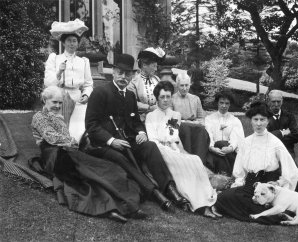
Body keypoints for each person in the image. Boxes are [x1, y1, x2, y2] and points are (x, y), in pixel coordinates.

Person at [85, 53, 187, 211]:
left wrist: (141, 132)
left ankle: (169, 188)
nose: (123, 77)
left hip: (128, 139)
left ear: (132, 75)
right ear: (113, 72)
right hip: (105, 144)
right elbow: (91, 125)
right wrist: (111, 140)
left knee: (150, 146)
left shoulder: (130, 96)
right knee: (121, 157)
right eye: (120, 72)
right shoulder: (100, 92)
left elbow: (135, 122)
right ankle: (154, 193)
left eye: (127, 74)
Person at [31, 86, 147, 223]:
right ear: (45, 100)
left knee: (105, 169)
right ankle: (110, 209)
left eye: (60, 102)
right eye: (54, 102)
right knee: (87, 174)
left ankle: (122, 206)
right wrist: (73, 142)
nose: (57, 106)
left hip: (68, 151)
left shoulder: (59, 118)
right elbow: (51, 138)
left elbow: (65, 139)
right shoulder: (39, 117)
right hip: (53, 155)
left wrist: (72, 143)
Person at [214, 101, 298, 225]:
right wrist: (238, 183)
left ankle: (276, 214)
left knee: (245, 201)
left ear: (268, 121)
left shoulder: (275, 142)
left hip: (268, 188)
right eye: (255, 119)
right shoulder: (246, 142)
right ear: (251, 120)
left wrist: (279, 182)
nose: (259, 123)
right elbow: (239, 170)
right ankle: (271, 212)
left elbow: (290, 168)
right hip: (250, 186)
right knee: (223, 198)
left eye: (262, 119)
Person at [145, 81, 219, 218]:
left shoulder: (175, 115)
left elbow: (174, 137)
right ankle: (199, 205)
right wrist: (169, 148)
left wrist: (178, 150)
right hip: (159, 149)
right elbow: (152, 139)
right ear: (157, 98)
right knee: (184, 162)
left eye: (168, 96)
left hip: (172, 147)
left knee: (195, 159)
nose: (166, 100)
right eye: (162, 97)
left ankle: (208, 199)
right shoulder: (151, 116)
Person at [44, 19, 93, 143]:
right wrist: (59, 73)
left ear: (78, 43)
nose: (72, 44)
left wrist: (86, 95)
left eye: (74, 41)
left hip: (77, 97)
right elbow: (48, 83)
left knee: (77, 130)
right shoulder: (55, 58)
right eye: (69, 41)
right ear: (64, 43)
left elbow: (88, 84)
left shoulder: (83, 62)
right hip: (60, 96)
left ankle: (76, 141)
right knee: (59, 127)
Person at [267, 89, 298, 193]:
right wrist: (283, 132)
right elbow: (266, 138)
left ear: (282, 101)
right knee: (275, 170)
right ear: (268, 101)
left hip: (288, 150)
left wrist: (275, 135)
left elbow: (295, 136)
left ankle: (296, 188)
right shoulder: (264, 117)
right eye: (273, 101)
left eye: (278, 101)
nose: (276, 104)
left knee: (291, 168)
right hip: (271, 151)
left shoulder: (289, 116)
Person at [204, 90, 244, 175]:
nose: (224, 106)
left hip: (230, 153)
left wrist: (230, 148)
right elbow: (208, 135)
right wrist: (212, 148)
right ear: (217, 103)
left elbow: (237, 139)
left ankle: (225, 178)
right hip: (213, 151)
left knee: (223, 145)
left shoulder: (235, 120)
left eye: (227, 103)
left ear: (230, 104)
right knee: (219, 146)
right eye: (221, 103)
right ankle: (226, 178)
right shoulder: (209, 119)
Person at [127, 47, 166, 121]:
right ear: (144, 65)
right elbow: (131, 102)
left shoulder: (157, 80)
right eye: (154, 66)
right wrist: (149, 108)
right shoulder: (134, 82)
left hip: (159, 117)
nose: (156, 69)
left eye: (156, 66)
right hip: (141, 119)